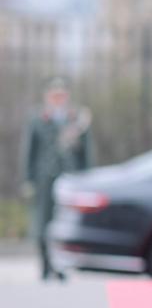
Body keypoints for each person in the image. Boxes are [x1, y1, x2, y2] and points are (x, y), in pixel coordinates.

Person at [22, 77, 93, 281]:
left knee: (66, 223)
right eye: (54, 95)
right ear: (47, 97)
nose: (57, 99)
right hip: (44, 179)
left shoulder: (76, 118)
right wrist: (28, 179)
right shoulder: (37, 118)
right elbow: (29, 151)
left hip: (69, 178)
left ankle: (62, 266)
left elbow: (86, 152)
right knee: (42, 223)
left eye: (61, 95)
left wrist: (86, 177)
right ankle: (45, 264)